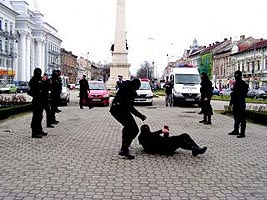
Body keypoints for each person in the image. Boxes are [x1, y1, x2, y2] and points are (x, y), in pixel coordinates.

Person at [110, 79, 146, 159]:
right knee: (132, 128)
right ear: (135, 86)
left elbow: (128, 106)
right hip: (119, 110)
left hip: (117, 109)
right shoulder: (129, 91)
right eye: (137, 88)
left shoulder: (126, 87)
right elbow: (129, 107)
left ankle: (125, 146)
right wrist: (140, 116)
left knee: (130, 128)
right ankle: (124, 149)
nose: (137, 89)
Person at [138, 124, 207, 156]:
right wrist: (161, 131)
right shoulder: (145, 138)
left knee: (182, 140)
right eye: (146, 130)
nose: (148, 131)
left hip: (167, 144)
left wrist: (166, 132)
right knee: (183, 137)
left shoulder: (150, 135)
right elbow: (150, 139)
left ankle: (195, 149)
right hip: (166, 148)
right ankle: (195, 149)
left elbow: (164, 139)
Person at [28, 68, 48, 138]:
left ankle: (39, 130)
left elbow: (45, 87)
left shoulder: (41, 79)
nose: (39, 73)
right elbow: (29, 91)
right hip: (36, 101)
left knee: (40, 116)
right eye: (38, 72)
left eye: (40, 72)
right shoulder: (33, 80)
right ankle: (34, 132)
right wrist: (36, 95)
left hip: (41, 101)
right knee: (35, 117)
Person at [228, 70, 249, 138]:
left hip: (241, 103)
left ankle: (242, 133)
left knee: (242, 118)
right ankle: (236, 130)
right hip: (236, 103)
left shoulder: (243, 84)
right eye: (235, 75)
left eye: (237, 75)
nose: (236, 77)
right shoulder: (236, 83)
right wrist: (231, 103)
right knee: (236, 117)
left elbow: (244, 93)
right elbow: (234, 94)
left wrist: (238, 94)